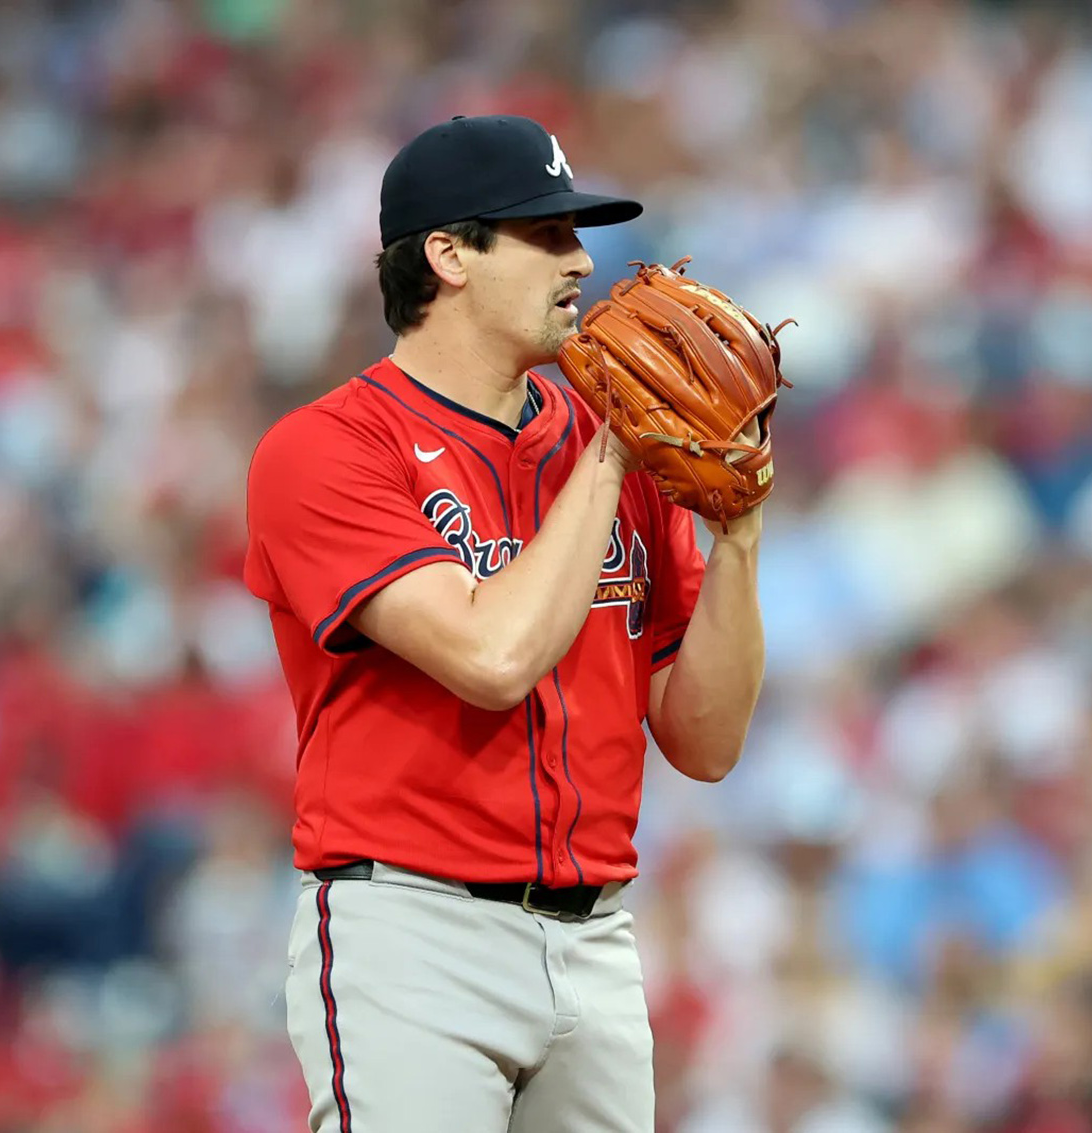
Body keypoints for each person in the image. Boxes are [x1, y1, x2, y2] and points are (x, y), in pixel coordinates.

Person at [243, 113, 767, 1133]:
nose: (580, 258)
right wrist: (613, 454)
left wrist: (739, 540)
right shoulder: (327, 449)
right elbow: (492, 657)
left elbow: (705, 742)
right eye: (544, 234)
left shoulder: (618, 433)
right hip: (412, 931)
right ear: (446, 255)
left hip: (597, 942)